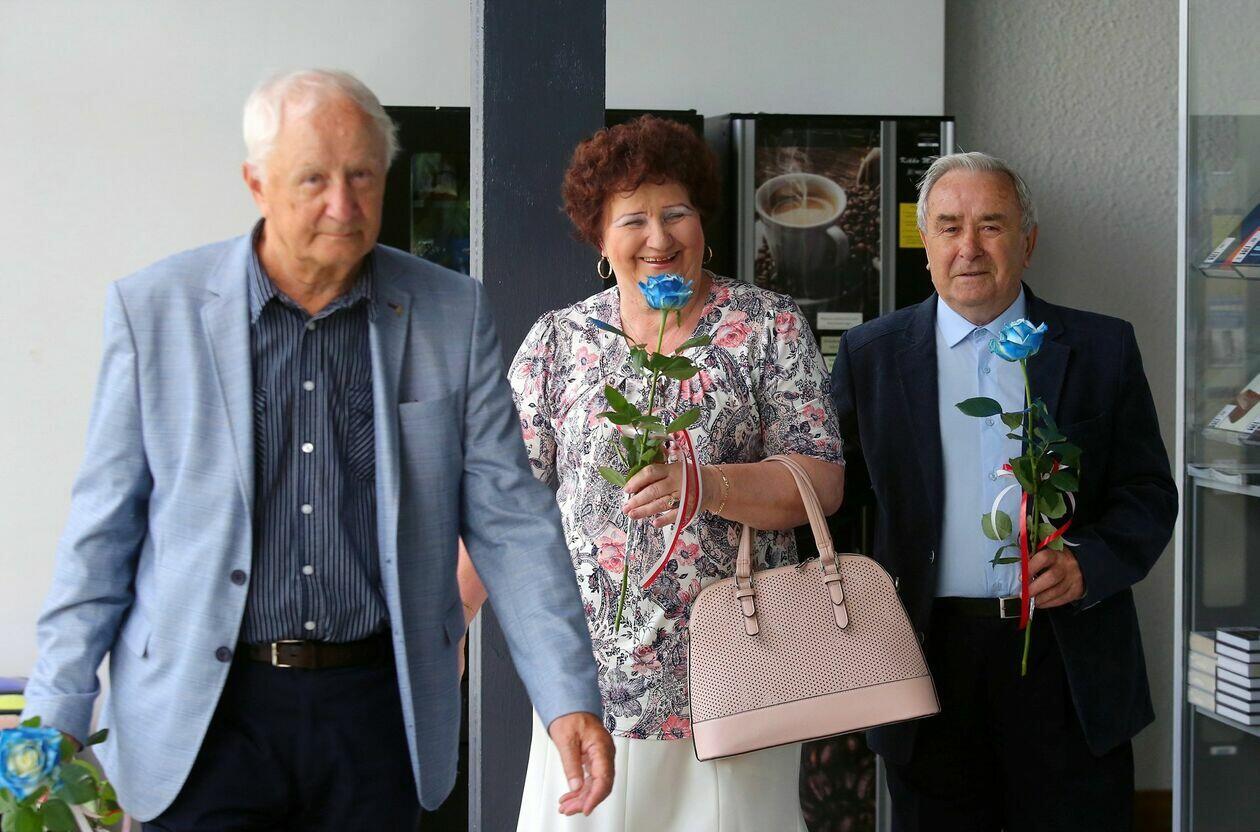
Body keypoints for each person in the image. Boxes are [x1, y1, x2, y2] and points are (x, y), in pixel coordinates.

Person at [20, 69, 612, 830]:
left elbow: (511, 520)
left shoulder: (449, 312)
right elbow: (102, 530)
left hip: (377, 712)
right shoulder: (154, 311)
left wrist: (566, 696)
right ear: (256, 184)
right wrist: (55, 715)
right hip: (201, 715)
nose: (344, 204)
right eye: (314, 180)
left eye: (362, 175)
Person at [457, 115, 846, 831]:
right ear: (601, 241)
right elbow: (503, 506)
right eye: (633, 219)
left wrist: (707, 485)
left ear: (702, 221)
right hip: (589, 687)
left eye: (676, 213)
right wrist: (448, 620)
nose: (659, 238)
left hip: (738, 674)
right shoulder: (559, 343)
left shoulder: (768, 327)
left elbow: (821, 482)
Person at [830, 151, 1177, 831]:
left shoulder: (1102, 348)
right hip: (925, 657)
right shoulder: (872, 355)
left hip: (1067, 656)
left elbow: (1148, 492)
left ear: (1028, 241)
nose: (969, 247)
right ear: (925, 243)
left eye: (991, 225)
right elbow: (839, 503)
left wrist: (1087, 562)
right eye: (949, 226)